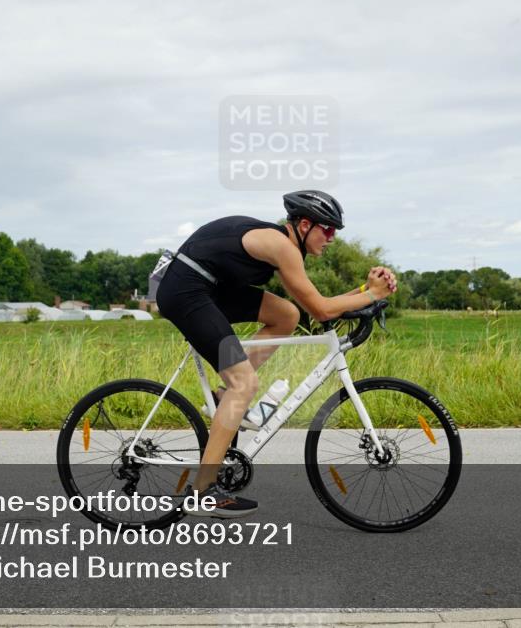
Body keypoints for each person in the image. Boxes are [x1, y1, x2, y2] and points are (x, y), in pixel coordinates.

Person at [155, 190, 397, 517]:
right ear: (305, 224)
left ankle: (227, 396)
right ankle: (202, 491)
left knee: (286, 315)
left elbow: (313, 304)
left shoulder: (286, 247)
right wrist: (370, 295)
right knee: (246, 383)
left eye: (335, 231)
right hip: (187, 292)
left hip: (207, 287)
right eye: (327, 229)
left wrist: (368, 292)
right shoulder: (283, 247)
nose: (332, 238)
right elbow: (323, 310)